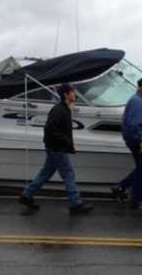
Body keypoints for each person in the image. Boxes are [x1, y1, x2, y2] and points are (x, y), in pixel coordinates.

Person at [19, 83, 93, 215]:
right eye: (73, 92)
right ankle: (76, 204)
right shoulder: (59, 110)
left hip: (55, 147)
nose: (75, 94)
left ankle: (26, 195)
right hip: (57, 148)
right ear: (66, 94)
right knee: (69, 174)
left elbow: (62, 131)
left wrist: (70, 145)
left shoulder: (64, 109)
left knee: (46, 173)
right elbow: (50, 129)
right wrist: (67, 143)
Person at [112, 77, 142, 210]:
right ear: (141, 87)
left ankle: (120, 187)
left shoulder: (139, 100)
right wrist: (141, 141)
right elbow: (135, 124)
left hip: (136, 140)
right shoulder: (137, 102)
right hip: (137, 141)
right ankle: (136, 201)